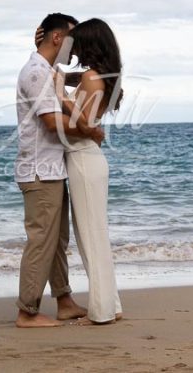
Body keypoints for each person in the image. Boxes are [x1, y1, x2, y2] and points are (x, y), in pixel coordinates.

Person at [14, 12, 105, 328]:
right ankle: (27, 312)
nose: (76, 45)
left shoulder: (46, 70)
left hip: (52, 169)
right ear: (57, 38)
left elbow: (68, 81)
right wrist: (90, 131)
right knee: (42, 240)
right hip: (40, 171)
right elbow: (52, 123)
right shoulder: (37, 73)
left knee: (57, 240)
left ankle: (64, 300)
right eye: (72, 37)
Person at [54, 18, 124, 325]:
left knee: (91, 238)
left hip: (83, 159)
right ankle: (111, 305)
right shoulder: (97, 76)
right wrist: (58, 74)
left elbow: (77, 126)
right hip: (86, 160)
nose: (73, 48)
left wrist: (59, 96)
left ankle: (101, 312)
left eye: (77, 42)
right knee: (95, 236)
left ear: (89, 44)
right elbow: (69, 76)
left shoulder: (94, 78)